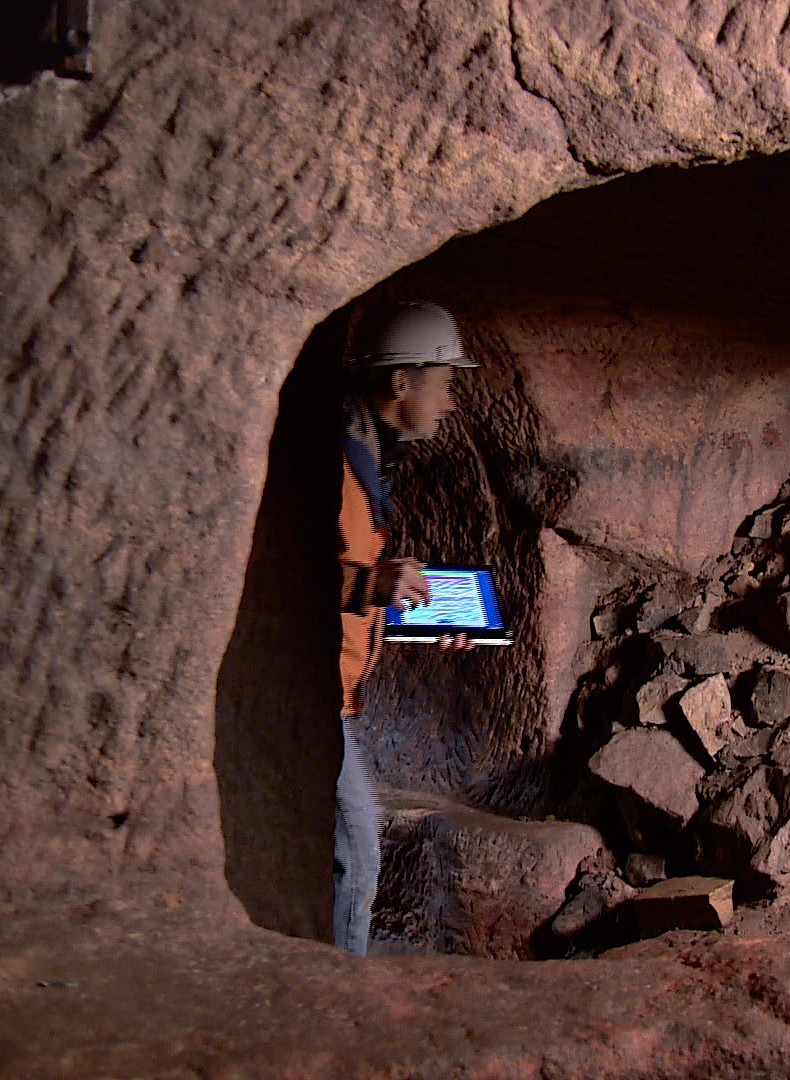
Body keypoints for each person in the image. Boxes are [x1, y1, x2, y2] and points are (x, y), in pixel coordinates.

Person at [335, 299, 477, 956]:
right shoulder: (335, 462)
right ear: (401, 382)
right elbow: (273, 577)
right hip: (307, 704)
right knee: (359, 856)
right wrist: (371, 585)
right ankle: (338, 1004)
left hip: (330, 697)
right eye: (444, 383)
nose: (450, 402)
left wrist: (406, 608)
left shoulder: (364, 455)